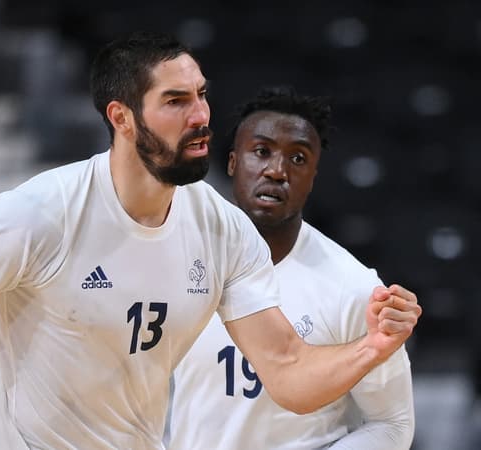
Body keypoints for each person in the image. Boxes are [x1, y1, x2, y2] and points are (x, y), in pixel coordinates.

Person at [0, 32, 421, 450]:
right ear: (122, 118)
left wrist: (372, 346)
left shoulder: (221, 229)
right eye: (176, 101)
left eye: (201, 95)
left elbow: (288, 371)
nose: (201, 115)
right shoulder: (43, 213)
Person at [170, 87, 415, 450]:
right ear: (233, 164)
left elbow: (392, 423)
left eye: (298, 159)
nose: (277, 170)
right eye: (261, 151)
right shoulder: (177, 262)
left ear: (313, 178)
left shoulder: (354, 286)